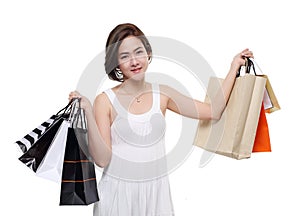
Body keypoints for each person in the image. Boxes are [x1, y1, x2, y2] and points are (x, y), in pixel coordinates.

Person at [69, 23, 254, 216]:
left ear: (148, 53)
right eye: (124, 56)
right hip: (117, 195)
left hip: (155, 195)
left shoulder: (163, 93)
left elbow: (213, 111)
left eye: (138, 52)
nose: (134, 61)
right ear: (115, 62)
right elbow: (102, 159)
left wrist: (233, 68)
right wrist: (88, 113)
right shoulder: (105, 100)